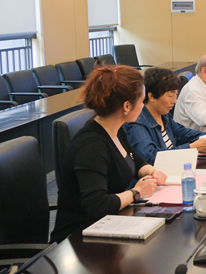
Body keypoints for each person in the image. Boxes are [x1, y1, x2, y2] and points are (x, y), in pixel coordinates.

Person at [51, 66, 168, 242]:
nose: (143, 106)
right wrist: (136, 192)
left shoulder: (115, 128)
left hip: (109, 223)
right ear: (127, 106)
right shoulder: (91, 146)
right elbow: (97, 205)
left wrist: (150, 171)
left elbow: (135, 160)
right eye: (141, 101)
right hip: (79, 238)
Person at [124, 67, 206, 164]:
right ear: (152, 97)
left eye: (176, 94)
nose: (175, 100)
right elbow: (150, 156)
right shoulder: (137, 123)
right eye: (170, 95)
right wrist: (191, 147)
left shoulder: (163, 114)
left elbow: (182, 133)